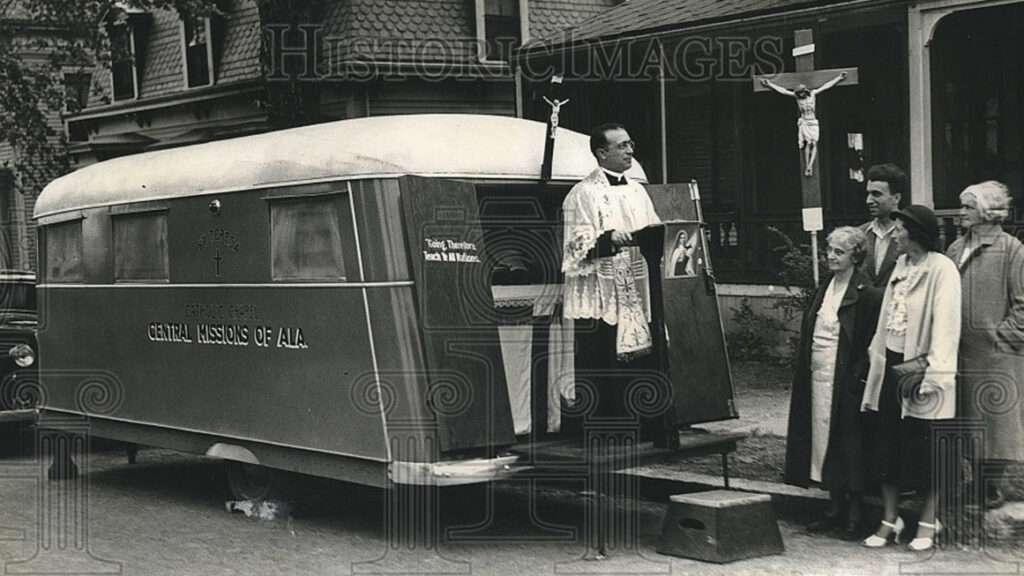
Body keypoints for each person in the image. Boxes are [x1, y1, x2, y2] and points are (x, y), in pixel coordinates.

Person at [860, 205, 961, 552]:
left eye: (900, 228)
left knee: (927, 450)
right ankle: (891, 519)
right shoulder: (900, 266)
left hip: (924, 370)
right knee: (887, 445)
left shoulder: (942, 269)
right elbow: (885, 320)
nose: (895, 234)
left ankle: (929, 521)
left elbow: (946, 328)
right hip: (891, 365)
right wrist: (875, 362)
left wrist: (935, 376)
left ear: (915, 233)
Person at [784, 227, 881, 539]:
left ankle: (854, 510)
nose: (831, 257)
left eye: (839, 252)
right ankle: (833, 506)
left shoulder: (867, 291)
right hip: (819, 374)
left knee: (849, 443)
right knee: (822, 438)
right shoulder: (825, 286)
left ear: (855, 254)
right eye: (829, 251)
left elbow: (871, 339)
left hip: (846, 379)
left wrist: (858, 375)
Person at [562, 123, 661, 425]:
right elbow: (574, 242)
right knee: (602, 356)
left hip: (636, 284)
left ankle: (642, 425)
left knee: (643, 355)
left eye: (630, 144)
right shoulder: (583, 193)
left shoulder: (637, 191)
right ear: (601, 153)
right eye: (622, 146)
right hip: (602, 291)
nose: (630, 150)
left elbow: (653, 227)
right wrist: (607, 238)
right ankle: (606, 427)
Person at [946, 181, 1024, 510]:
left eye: (967, 207)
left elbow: (1022, 304)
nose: (960, 212)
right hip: (959, 351)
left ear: (987, 211)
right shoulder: (953, 248)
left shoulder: (1012, 249)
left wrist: (1001, 339)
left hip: (995, 354)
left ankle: (993, 485)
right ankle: (975, 480)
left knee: (995, 420)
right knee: (966, 416)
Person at [761, 72, 846, 176]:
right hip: (805, 122)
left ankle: (810, 165)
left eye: (801, 92)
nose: (800, 95)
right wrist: (769, 84)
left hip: (813, 122)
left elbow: (825, 86)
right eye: (799, 93)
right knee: (807, 144)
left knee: (814, 143)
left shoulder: (813, 94)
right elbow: (783, 91)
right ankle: (807, 166)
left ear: (805, 91)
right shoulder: (797, 98)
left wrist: (839, 78)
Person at [858, 163, 906, 288]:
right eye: (868, 194)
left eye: (876, 194)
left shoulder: (911, 235)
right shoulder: (859, 234)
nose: (868, 200)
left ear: (896, 198)